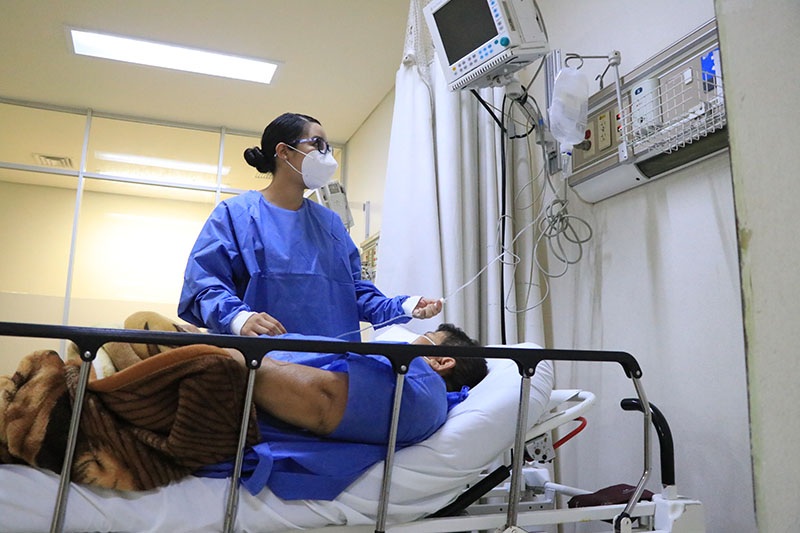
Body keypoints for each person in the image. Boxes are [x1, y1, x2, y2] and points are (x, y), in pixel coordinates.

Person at [178, 112, 442, 341]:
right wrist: (239, 318)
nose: (326, 155)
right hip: (262, 361)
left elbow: (353, 292)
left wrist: (404, 306)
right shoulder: (236, 215)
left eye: (328, 147)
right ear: (284, 151)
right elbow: (204, 285)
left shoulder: (330, 225)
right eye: (318, 144)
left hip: (331, 362)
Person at [196, 323, 487, 500]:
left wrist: (212, 353)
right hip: (224, 378)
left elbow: (322, 401)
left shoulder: (421, 393)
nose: (411, 340)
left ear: (441, 362)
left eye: (425, 336)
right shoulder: (412, 380)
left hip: (217, 394)